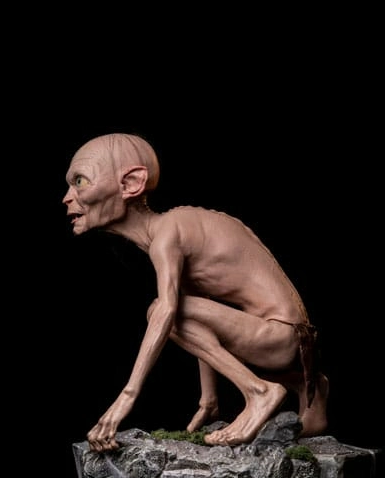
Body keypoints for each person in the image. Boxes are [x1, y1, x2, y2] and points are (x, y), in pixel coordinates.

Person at [63, 132, 329, 452]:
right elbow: (200, 314)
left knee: (160, 310)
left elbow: (169, 313)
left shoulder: (167, 235)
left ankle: (259, 392)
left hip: (280, 339)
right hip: (290, 342)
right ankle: (309, 391)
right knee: (179, 309)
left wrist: (125, 399)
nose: (67, 197)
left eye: (80, 182)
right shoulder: (179, 229)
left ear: (131, 183)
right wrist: (209, 399)